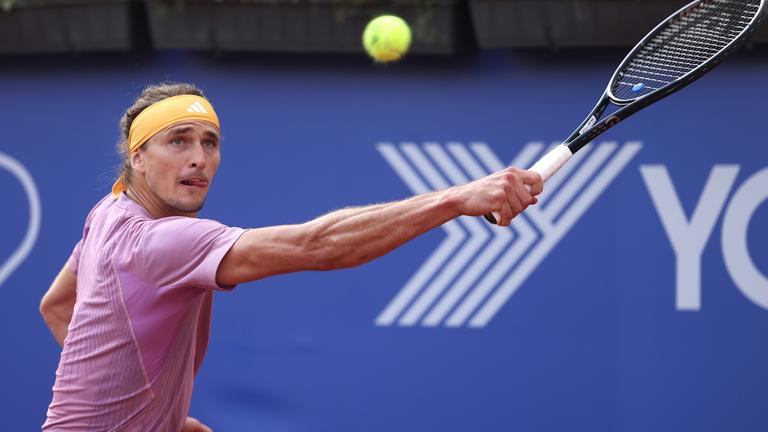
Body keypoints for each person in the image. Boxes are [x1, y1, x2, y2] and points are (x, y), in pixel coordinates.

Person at [39, 82, 542, 431]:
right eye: (178, 141)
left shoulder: (108, 213)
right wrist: (457, 199)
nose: (199, 158)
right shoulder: (159, 242)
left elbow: (57, 306)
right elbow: (317, 246)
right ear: (138, 157)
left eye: (209, 143)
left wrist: (155, 415)